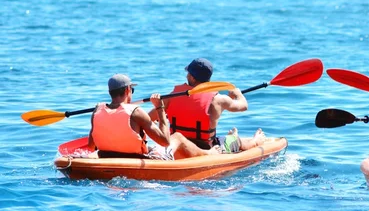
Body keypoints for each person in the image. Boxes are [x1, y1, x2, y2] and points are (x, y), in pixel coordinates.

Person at [88, 74, 219, 160]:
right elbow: (165, 141)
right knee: (177, 137)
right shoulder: (136, 112)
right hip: (135, 160)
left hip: (106, 156)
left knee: (150, 144)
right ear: (128, 90)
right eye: (132, 90)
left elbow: (91, 145)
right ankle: (209, 154)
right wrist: (160, 109)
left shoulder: (97, 111)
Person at [148, 58, 265, 153]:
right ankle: (249, 140)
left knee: (231, 140)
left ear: (192, 77)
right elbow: (243, 106)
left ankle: (251, 140)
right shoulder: (219, 100)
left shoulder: (171, 97)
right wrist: (238, 94)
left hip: (178, 147)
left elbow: (149, 119)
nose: (186, 76)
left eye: (188, 73)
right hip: (207, 148)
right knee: (237, 142)